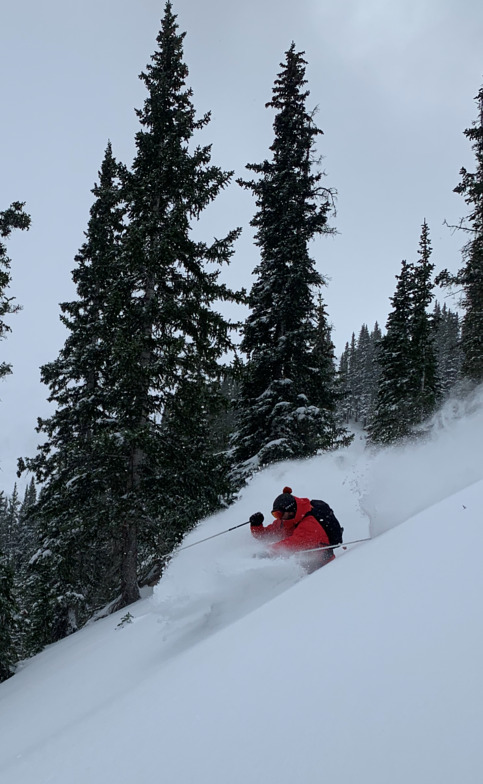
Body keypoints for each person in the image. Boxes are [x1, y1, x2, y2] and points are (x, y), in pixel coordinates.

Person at [249, 486, 337, 572]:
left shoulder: (310, 524)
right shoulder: (286, 520)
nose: (279, 518)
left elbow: (292, 544)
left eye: (279, 514)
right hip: (302, 563)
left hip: (322, 568)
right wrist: (256, 525)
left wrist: (268, 551)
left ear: (290, 510)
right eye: (275, 515)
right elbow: (267, 535)